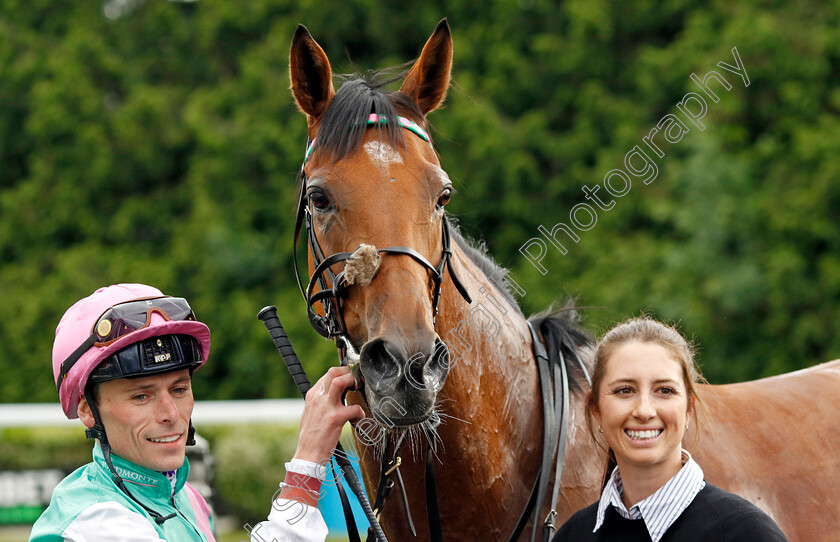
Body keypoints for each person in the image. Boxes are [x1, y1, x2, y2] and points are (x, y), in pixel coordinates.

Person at [30, 283, 363, 542]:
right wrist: (307, 462)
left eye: (179, 389)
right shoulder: (93, 521)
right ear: (89, 411)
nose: (171, 414)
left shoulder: (184, 495)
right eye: (141, 396)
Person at [553, 317, 788, 542]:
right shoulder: (573, 535)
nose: (644, 411)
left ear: (688, 409)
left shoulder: (745, 534)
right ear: (596, 409)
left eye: (664, 390)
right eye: (625, 390)